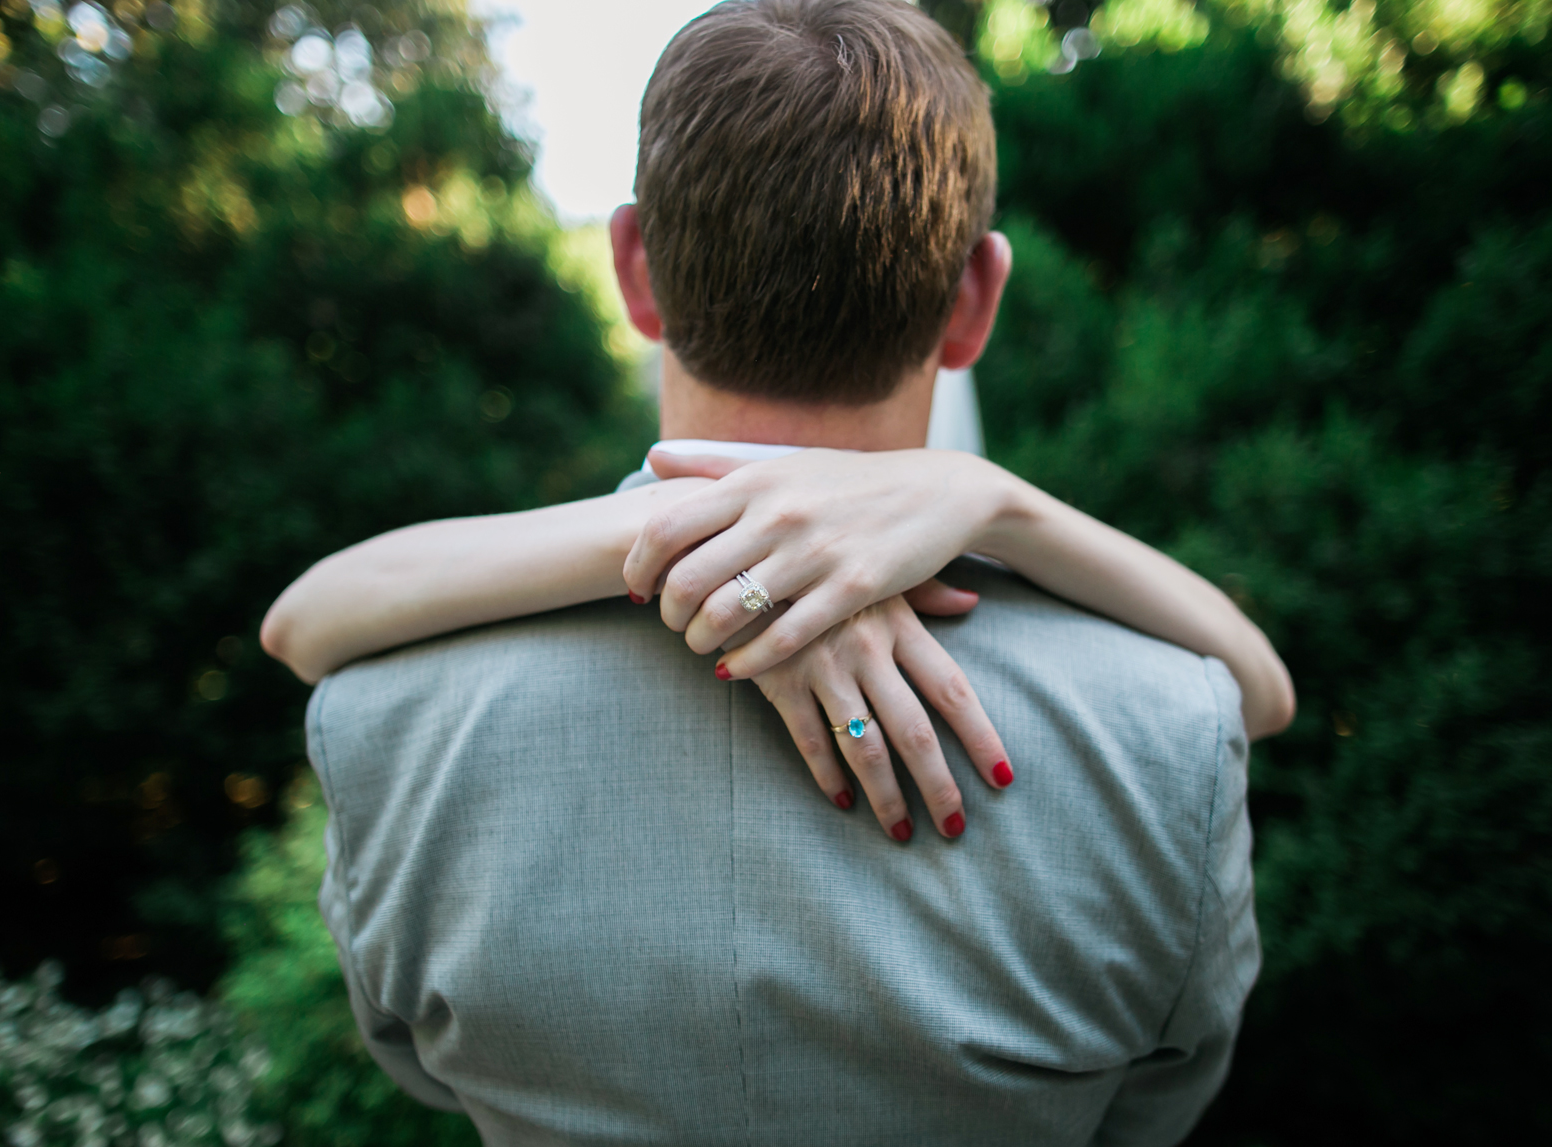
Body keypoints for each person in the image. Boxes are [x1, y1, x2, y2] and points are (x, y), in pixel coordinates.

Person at [279, 1, 1274, 1141]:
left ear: (633, 269)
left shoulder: (382, 719)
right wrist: (1000, 502)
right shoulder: (1171, 729)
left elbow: (416, 1065)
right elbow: (1159, 1100)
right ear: (975, 299)